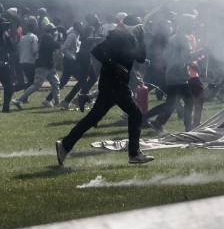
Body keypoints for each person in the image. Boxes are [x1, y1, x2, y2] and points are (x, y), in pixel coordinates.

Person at [57, 15, 153, 166]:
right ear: (133, 27)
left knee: (93, 118)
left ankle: (65, 144)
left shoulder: (132, 38)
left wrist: (141, 39)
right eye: (139, 27)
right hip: (114, 84)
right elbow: (97, 51)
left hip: (114, 84)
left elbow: (141, 58)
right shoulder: (118, 37)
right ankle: (134, 154)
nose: (141, 29)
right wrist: (114, 65)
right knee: (135, 115)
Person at [15, 25, 61, 107]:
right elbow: (56, 45)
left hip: (48, 65)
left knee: (56, 83)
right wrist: (58, 38)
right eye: (53, 30)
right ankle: (19, 100)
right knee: (37, 85)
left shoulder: (46, 37)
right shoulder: (47, 37)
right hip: (43, 65)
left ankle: (57, 102)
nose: (55, 32)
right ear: (49, 31)